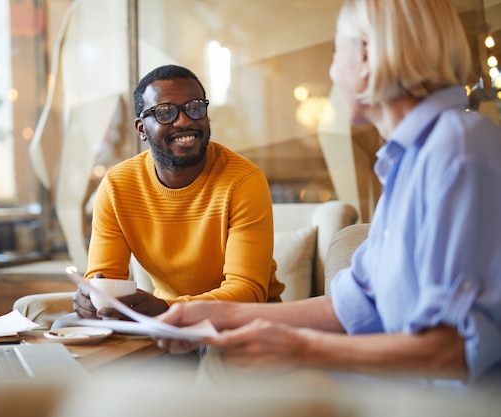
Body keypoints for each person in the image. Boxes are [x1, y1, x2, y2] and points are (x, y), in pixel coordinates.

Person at [157, 0, 501, 386]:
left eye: (337, 51)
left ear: (367, 57)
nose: (332, 72)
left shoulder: (458, 151)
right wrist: (216, 314)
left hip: (443, 398)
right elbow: (351, 307)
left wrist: (299, 349)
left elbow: (452, 350)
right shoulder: (411, 160)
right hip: (405, 381)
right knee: (229, 358)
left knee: (231, 369)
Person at [63, 64, 285, 322]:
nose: (184, 120)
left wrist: (167, 308)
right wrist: (92, 300)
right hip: (161, 320)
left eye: (194, 107)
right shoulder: (117, 186)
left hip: (241, 322)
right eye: (165, 112)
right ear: (141, 129)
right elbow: (104, 279)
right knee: (63, 326)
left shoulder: (243, 180)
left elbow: (247, 292)